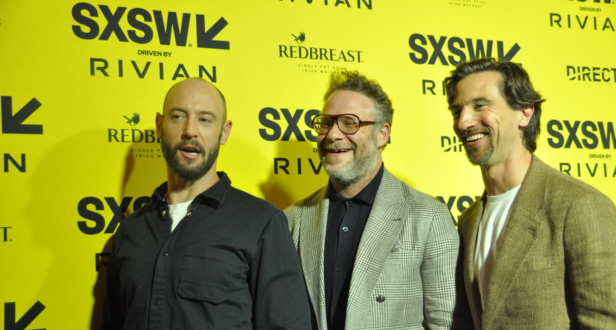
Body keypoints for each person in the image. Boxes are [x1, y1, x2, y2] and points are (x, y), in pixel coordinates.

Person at [102, 78, 311, 329]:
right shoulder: (129, 232)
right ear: (159, 126)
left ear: (224, 132)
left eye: (205, 119)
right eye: (178, 116)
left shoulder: (261, 223)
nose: (190, 130)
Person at [285, 69, 472, 330]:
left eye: (349, 122)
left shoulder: (429, 216)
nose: (333, 135)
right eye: (326, 122)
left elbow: (448, 323)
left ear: (382, 134)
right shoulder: (293, 219)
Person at [445, 58, 616, 329]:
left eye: (480, 105)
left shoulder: (579, 205)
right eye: (457, 111)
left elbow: (606, 323)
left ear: (525, 113)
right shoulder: (468, 221)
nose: (463, 122)